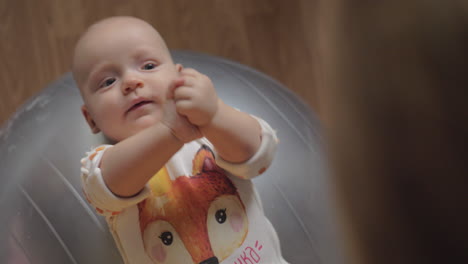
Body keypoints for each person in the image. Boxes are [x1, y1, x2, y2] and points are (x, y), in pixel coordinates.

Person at [72, 16, 287, 264]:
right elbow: (109, 184)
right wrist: (169, 132)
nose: (131, 82)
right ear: (91, 119)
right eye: (108, 82)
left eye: (148, 66)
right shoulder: (102, 164)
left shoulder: (213, 132)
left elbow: (259, 155)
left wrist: (215, 114)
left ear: (179, 77)